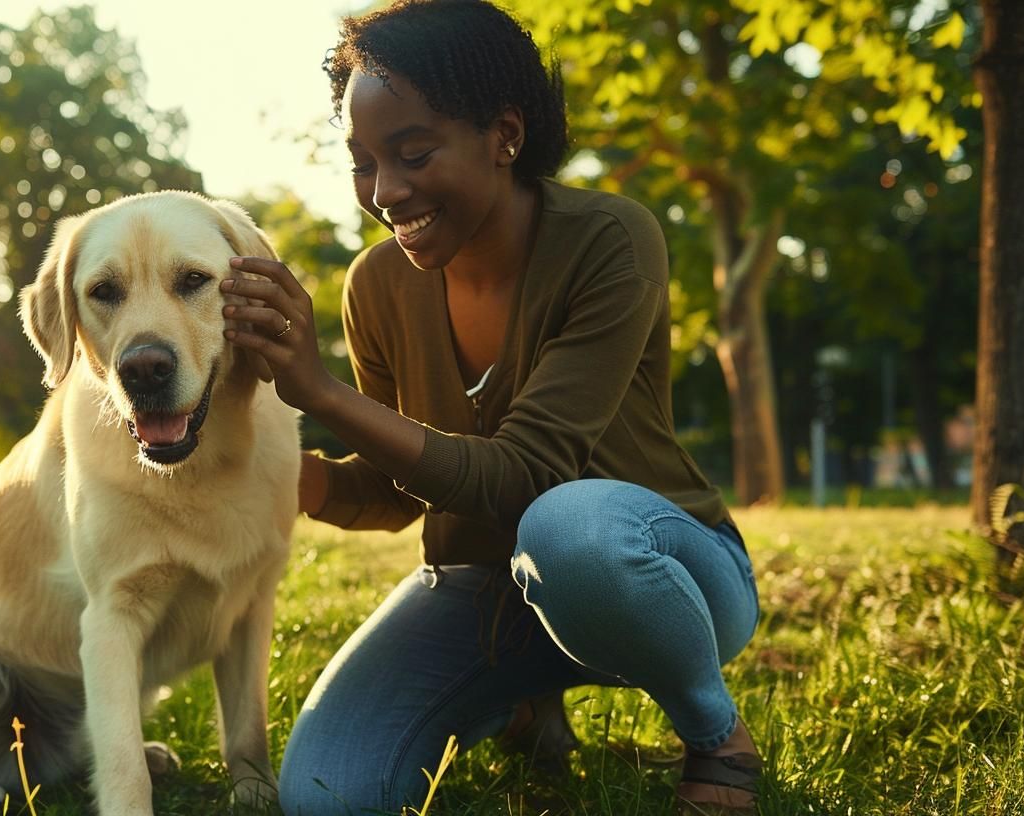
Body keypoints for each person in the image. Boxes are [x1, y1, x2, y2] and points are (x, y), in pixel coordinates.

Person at [219, 1, 762, 813]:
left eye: (412, 153)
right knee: (329, 795)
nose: (386, 192)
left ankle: (715, 737)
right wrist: (264, 471)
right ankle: (517, 701)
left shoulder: (611, 240)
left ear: (504, 135)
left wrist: (319, 391)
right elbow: (398, 485)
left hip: (658, 574)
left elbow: (528, 477)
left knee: (568, 530)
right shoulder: (375, 285)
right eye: (363, 163)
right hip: (483, 588)